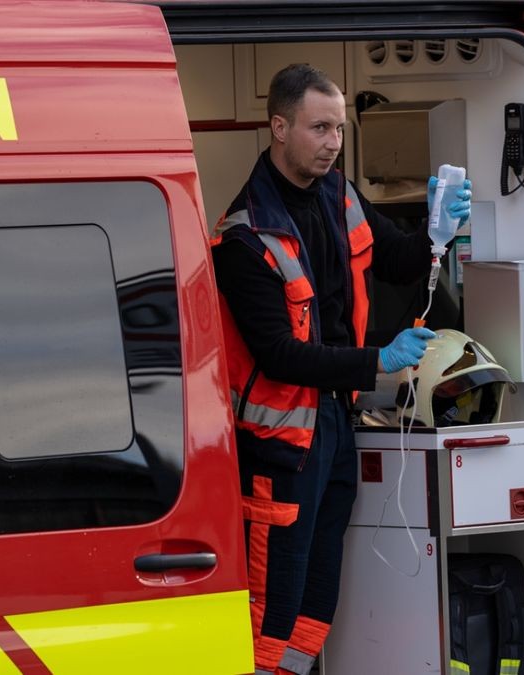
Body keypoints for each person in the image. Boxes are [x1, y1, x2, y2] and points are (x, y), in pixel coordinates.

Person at [209, 63, 471, 675]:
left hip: (333, 427)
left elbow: (401, 263)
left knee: (317, 598)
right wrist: (376, 361)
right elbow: (278, 353)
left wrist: (440, 231)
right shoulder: (244, 237)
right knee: (272, 610)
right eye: (319, 128)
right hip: (279, 448)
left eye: (339, 129)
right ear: (279, 128)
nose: (333, 143)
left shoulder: (341, 195)